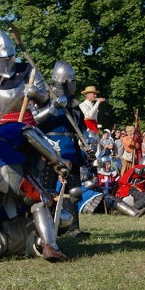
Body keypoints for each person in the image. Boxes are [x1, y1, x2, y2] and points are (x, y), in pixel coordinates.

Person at [35, 60, 90, 238]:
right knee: (46, 190)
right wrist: (52, 108)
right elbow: (35, 122)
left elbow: (82, 130)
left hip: (71, 149)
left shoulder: (74, 106)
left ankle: (74, 228)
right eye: (72, 81)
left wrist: (89, 144)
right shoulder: (44, 101)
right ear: (65, 82)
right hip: (49, 149)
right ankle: (47, 226)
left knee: (74, 191)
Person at [0, 27, 47, 126]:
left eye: (10, 56)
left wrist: (36, 94)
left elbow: (45, 100)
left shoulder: (27, 71)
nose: (8, 60)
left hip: (29, 123)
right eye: (3, 58)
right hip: (2, 126)